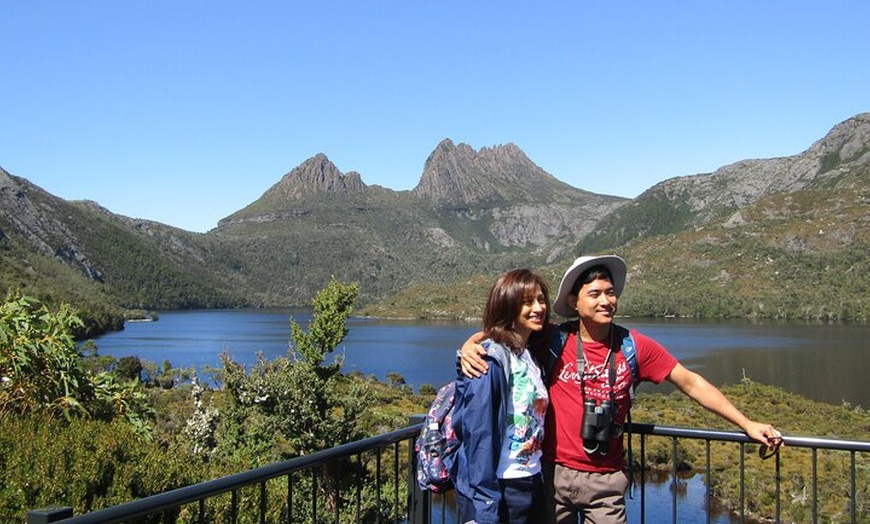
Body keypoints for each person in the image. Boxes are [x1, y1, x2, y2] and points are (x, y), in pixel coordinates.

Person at [459, 255, 783, 524]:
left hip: (606, 482)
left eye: (610, 293)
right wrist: (471, 345)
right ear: (574, 301)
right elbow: (506, 332)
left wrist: (747, 424)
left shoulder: (634, 346)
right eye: (595, 293)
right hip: (550, 476)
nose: (606, 301)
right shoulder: (554, 339)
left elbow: (691, 382)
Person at [452, 269, 553, 524]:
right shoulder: (488, 360)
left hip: (531, 480)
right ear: (508, 305)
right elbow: (478, 435)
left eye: (541, 300)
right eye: (527, 302)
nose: (538, 307)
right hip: (501, 488)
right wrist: (484, 507)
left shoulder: (529, 355)